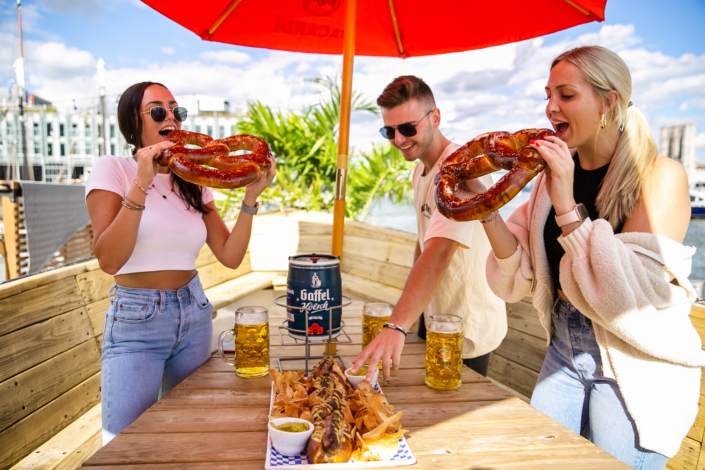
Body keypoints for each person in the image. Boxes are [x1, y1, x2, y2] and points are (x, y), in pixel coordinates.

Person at [476, 46, 705, 468]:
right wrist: (485, 207)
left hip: (636, 365)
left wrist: (567, 204)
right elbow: (519, 273)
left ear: (608, 101)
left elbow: (626, 300)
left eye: (566, 94)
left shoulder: (660, 177)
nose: (550, 107)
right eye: (548, 94)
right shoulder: (550, 177)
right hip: (564, 347)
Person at [85, 82, 275, 444]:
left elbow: (230, 256)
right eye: (158, 111)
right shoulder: (114, 170)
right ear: (133, 122)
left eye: (176, 111)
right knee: (124, 444)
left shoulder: (192, 180)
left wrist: (251, 198)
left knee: (189, 433)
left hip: (195, 313)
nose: (170, 116)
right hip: (137, 323)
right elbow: (109, 259)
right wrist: (142, 182)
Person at [352, 75, 507, 381]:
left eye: (408, 128)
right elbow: (424, 242)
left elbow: (439, 253)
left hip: (466, 323)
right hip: (430, 312)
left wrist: (396, 324)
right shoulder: (421, 171)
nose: (398, 140)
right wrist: (408, 314)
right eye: (389, 131)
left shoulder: (464, 171)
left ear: (435, 117)